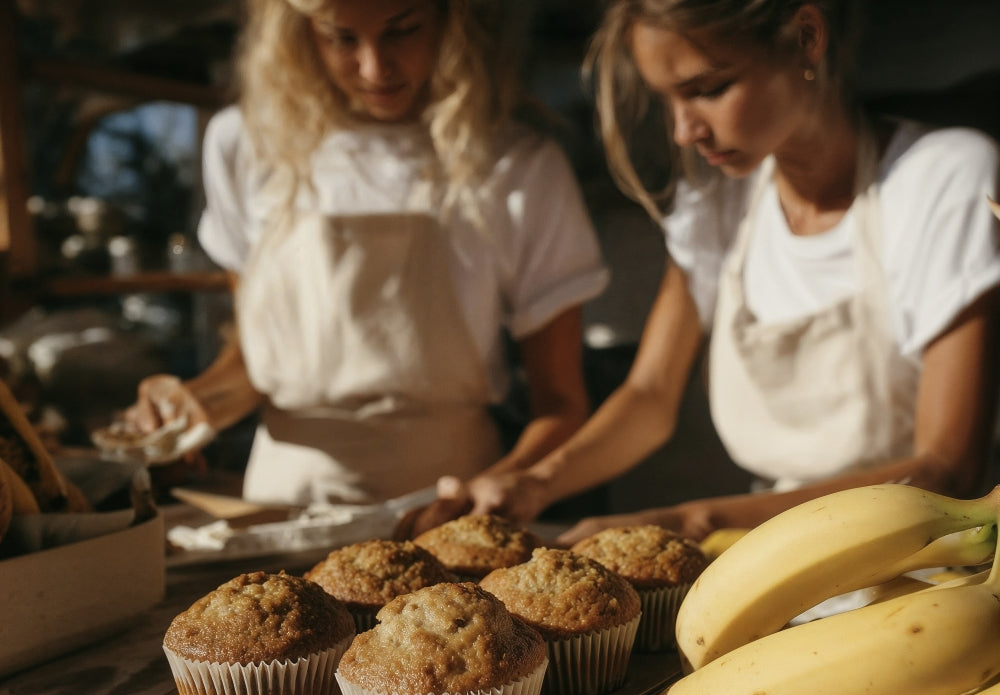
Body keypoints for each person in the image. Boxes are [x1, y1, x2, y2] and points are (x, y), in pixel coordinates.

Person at [415, 0, 1000, 544]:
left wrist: (694, 518)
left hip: (930, 560)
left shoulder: (942, 180)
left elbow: (945, 467)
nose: (683, 130)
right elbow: (649, 397)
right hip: (772, 551)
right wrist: (536, 483)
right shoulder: (722, 204)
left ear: (805, 38)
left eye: (708, 89)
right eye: (668, 99)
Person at [120, 0, 609, 506]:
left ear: (453, 21)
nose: (375, 67)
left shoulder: (517, 166)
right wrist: (191, 408)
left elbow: (562, 405)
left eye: (403, 31)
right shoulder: (247, 145)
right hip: (279, 503)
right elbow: (256, 360)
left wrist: (488, 497)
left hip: (445, 505)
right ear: (299, 33)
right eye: (341, 38)